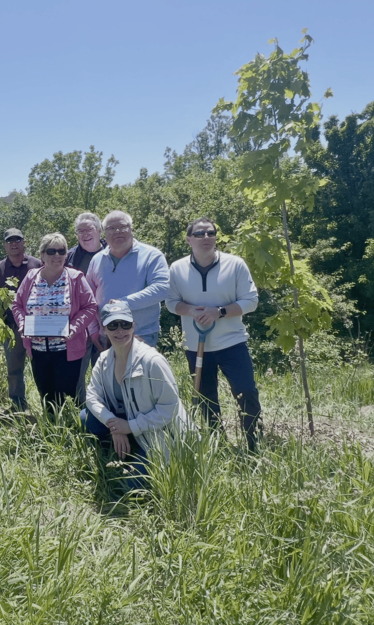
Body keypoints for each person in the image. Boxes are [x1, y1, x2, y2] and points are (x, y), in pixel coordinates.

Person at [165, 218, 262, 450]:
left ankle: (253, 444)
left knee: (246, 391)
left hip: (233, 343)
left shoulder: (235, 264)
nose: (206, 238)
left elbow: (251, 301)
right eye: (199, 234)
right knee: (206, 398)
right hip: (196, 346)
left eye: (210, 233)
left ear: (216, 237)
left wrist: (219, 312)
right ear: (189, 239)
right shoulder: (176, 269)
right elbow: (170, 303)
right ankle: (218, 445)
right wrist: (191, 311)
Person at [82, 300, 192, 491]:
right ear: (104, 329)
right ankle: (122, 446)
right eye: (113, 325)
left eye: (125, 324)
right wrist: (115, 425)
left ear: (133, 326)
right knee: (86, 417)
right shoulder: (104, 359)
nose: (120, 331)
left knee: (130, 488)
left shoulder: (152, 361)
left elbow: (169, 409)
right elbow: (92, 396)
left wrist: (130, 426)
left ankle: (135, 450)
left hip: (159, 431)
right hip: (127, 421)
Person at [11, 233, 97, 414]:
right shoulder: (31, 277)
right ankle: (52, 433)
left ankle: (74, 433)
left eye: (61, 251)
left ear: (66, 254)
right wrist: (22, 324)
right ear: (42, 255)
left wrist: (74, 327)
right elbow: (17, 305)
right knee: (47, 396)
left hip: (67, 349)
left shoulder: (75, 278)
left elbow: (90, 306)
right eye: (51, 251)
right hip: (38, 350)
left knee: (69, 395)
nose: (57, 255)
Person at [86, 210, 168, 349]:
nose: (117, 231)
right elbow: (88, 299)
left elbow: (162, 289)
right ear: (104, 233)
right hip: (106, 336)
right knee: (106, 371)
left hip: (142, 335)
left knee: (140, 372)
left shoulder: (152, 256)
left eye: (123, 227)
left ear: (131, 229)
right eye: (111, 228)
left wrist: (123, 303)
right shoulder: (97, 259)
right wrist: (93, 330)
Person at [0, 228, 42, 410]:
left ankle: (47, 404)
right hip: (11, 328)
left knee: (42, 365)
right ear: (4, 245)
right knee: (14, 368)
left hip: (38, 325)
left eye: (17, 239)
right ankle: (19, 406)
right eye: (10, 241)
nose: (14, 243)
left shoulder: (37, 264)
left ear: (24, 242)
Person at [66, 212, 107, 403]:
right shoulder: (69, 257)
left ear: (99, 230)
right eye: (80, 230)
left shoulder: (113, 253)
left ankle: (104, 411)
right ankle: (80, 412)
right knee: (76, 373)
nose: (85, 234)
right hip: (78, 325)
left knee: (105, 371)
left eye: (89, 229)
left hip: (108, 324)